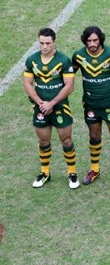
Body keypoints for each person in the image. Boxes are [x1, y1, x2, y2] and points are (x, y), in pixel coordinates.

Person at [71, 26, 110, 187]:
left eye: (95, 40)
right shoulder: (78, 56)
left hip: (108, 103)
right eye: (89, 41)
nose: (92, 44)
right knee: (94, 136)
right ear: (85, 41)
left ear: (100, 40)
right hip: (90, 104)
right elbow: (69, 74)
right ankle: (95, 169)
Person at [23, 27, 79, 189]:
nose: (44, 46)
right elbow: (27, 83)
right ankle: (44, 172)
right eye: (41, 43)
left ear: (54, 42)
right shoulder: (32, 60)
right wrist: (40, 103)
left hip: (60, 107)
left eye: (48, 43)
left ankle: (72, 173)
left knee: (66, 140)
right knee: (43, 141)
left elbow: (69, 86)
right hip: (40, 109)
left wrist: (51, 103)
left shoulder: (63, 60)